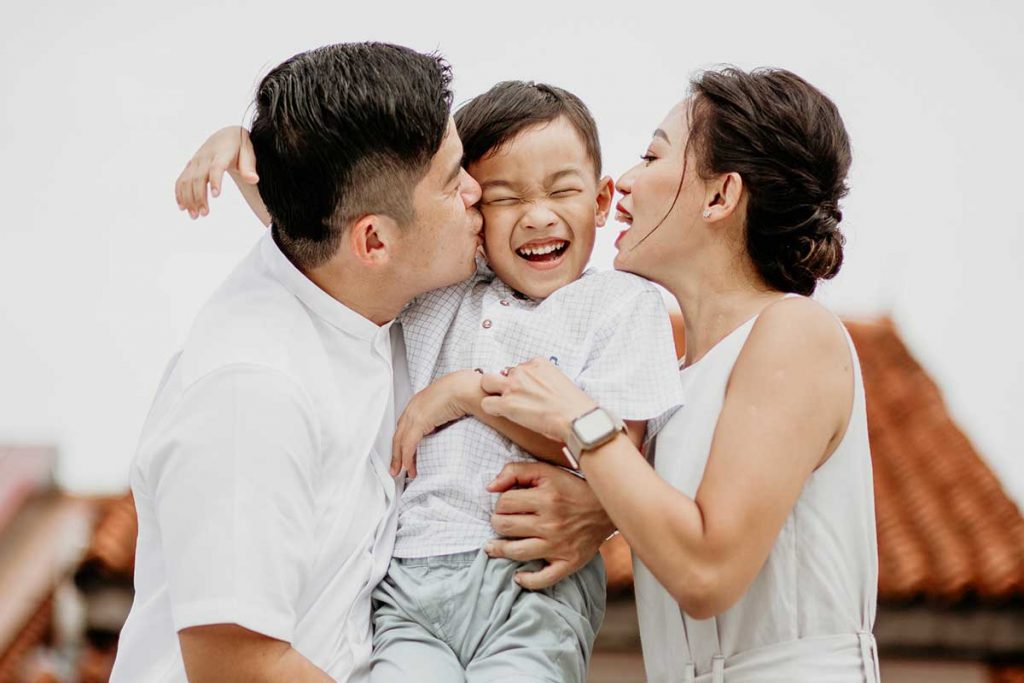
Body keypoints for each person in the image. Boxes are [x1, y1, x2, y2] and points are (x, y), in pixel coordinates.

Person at [116, 44, 611, 683]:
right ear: (375, 239)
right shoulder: (251, 393)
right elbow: (233, 662)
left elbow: (330, 224)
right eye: (455, 179)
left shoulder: (375, 300)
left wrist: (602, 508)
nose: (475, 195)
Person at [479, 67, 880, 682]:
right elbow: (671, 509)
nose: (627, 183)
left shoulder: (795, 331)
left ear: (720, 197)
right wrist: (602, 508)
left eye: (652, 154)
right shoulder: (674, 380)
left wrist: (577, 420)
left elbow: (706, 572)